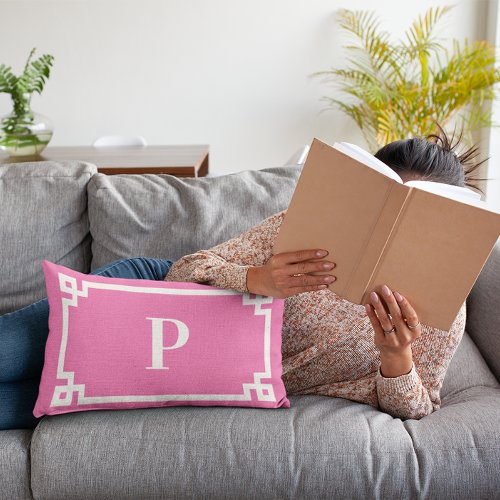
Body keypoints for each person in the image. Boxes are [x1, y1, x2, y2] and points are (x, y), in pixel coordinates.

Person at [163, 127, 485, 420]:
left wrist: (396, 355)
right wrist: (259, 279)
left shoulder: (445, 308)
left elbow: (419, 409)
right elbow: (180, 272)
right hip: (159, 293)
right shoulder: (303, 230)